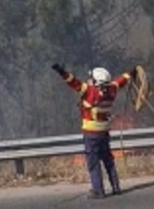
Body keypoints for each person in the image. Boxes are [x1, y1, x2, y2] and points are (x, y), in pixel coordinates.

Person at [52, 63, 138, 199]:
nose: (89, 80)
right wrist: (131, 73)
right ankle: (115, 186)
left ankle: (98, 191)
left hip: (91, 133)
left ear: (96, 81)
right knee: (108, 160)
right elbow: (121, 81)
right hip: (104, 132)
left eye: (91, 78)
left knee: (93, 162)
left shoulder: (89, 91)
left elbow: (73, 82)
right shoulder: (112, 91)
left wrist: (61, 72)